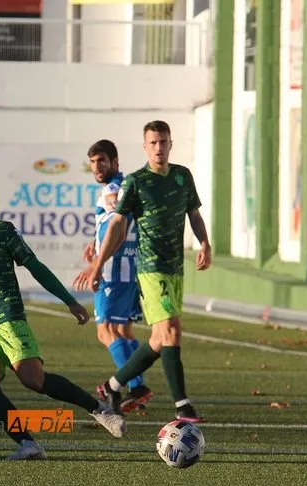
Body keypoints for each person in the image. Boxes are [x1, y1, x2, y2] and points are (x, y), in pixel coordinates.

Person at [0, 165, 127, 461]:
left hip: (7, 317)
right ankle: (27, 443)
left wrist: (69, 301)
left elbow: (35, 267)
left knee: (33, 380)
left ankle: (101, 410)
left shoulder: (2, 231)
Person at [74, 120, 212, 423]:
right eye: (153, 143)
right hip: (149, 268)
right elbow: (117, 224)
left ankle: (113, 386)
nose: (159, 148)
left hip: (175, 267)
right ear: (145, 147)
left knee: (158, 339)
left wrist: (205, 243)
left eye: (163, 142)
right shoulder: (136, 181)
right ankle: (182, 406)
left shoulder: (182, 176)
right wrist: (97, 264)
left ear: (171, 144)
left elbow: (194, 213)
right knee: (171, 330)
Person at [82, 140, 151, 414]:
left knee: (106, 331)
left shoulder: (112, 189)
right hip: (129, 268)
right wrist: (94, 242)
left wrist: (97, 264)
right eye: (93, 162)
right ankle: (137, 389)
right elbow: (114, 223)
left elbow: (117, 227)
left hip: (114, 269)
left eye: (102, 160)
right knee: (124, 331)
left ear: (115, 162)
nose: (97, 167)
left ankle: (136, 387)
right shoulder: (124, 187)